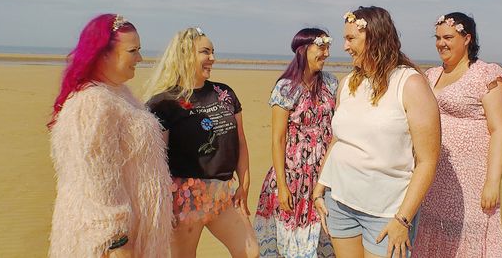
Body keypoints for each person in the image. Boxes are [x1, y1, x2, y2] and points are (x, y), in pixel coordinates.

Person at [312, 6, 441, 258]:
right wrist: (320, 187)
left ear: (375, 38)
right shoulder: (347, 83)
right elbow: (338, 140)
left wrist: (402, 220)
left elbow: (427, 161)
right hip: (339, 203)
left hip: (386, 212)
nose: (345, 47)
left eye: (351, 39)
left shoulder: (410, 84)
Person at [47, 14, 173, 258]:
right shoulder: (93, 103)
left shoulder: (118, 93)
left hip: (136, 239)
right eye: (132, 51)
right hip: (110, 247)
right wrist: (117, 243)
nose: (140, 58)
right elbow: (98, 182)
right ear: (103, 54)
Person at [144, 27, 259, 258]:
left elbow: (241, 142)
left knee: (250, 252)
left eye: (213, 52)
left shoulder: (224, 93)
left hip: (223, 194)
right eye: (205, 52)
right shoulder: (164, 103)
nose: (212, 58)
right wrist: (164, 206)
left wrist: (244, 186)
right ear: (186, 55)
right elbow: (156, 163)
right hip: (184, 198)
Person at [411, 12, 502, 257]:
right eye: (437, 38)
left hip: (473, 178)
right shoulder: (432, 75)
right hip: (435, 175)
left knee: (470, 237)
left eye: (448, 37)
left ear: (467, 38)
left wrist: (493, 182)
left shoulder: (486, 74)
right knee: (435, 234)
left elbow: (500, 130)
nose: (440, 43)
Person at [254, 28, 337, 257]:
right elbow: (278, 139)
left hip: (324, 175)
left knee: (323, 242)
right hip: (293, 177)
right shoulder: (286, 87)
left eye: (328, 47)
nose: (327, 53)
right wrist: (282, 186)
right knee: (293, 246)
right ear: (304, 49)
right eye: (321, 47)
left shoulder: (331, 83)